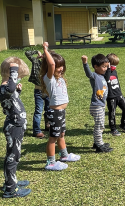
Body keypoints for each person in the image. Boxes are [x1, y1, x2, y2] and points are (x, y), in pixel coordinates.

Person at [0, 57, 31, 198]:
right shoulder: (5, 88)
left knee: (14, 156)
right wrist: (14, 69)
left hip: (16, 125)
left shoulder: (6, 89)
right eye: (18, 77)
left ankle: (12, 181)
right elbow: (10, 88)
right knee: (13, 157)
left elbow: (11, 102)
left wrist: (17, 92)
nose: (19, 80)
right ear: (11, 74)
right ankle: (10, 189)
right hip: (14, 126)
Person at [40, 42, 80, 170]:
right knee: (53, 137)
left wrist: (48, 55)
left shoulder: (59, 78)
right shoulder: (49, 78)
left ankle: (64, 155)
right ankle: (50, 163)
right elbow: (51, 64)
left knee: (61, 134)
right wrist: (45, 50)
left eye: (62, 66)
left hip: (61, 112)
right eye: (58, 67)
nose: (61, 68)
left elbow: (53, 62)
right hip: (55, 113)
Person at [82, 54, 113, 153]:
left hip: (101, 105)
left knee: (100, 125)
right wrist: (85, 63)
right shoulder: (95, 76)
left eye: (106, 66)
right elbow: (88, 74)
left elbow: (108, 70)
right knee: (99, 126)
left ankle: (97, 142)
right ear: (96, 67)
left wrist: (108, 64)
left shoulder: (102, 76)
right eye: (103, 66)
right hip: (96, 105)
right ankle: (99, 145)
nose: (105, 69)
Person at [25, 49, 50, 139]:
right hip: (38, 91)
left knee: (49, 110)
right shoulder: (36, 62)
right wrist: (37, 51)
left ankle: (48, 125)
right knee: (38, 111)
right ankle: (36, 131)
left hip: (48, 92)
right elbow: (27, 53)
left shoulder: (51, 67)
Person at [104, 53, 125, 136]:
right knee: (112, 113)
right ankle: (113, 128)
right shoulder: (105, 72)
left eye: (116, 65)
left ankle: (123, 124)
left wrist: (120, 93)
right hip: (111, 97)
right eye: (113, 64)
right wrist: (108, 69)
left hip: (119, 94)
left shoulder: (114, 71)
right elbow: (107, 79)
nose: (114, 66)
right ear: (108, 63)